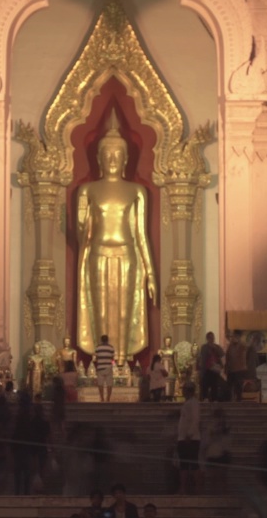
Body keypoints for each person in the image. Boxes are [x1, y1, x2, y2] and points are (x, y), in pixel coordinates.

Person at [75, 112, 157, 364]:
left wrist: (151, 273)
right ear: (99, 158)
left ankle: (122, 361)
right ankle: (103, 362)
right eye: (107, 154)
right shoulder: (87, 190)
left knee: (124, 313)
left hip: (128, 255)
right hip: (98, 254)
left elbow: (141, 234)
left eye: (117, 154)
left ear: (125, 159)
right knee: (99, 311)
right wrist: (83, 219)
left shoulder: (137, 191)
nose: (112, 158)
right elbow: (81, 232)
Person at [176, 383, 202, 495]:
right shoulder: (188, 403)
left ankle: (195, 488)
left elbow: (195, 419)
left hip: (190, 438)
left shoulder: (193, 403)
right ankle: (184, 488)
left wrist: (189, 434)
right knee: (184, 464)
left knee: (193, 463)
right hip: (184, 437)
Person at [203, 407, 232, 492]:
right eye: (217, 417)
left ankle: (223, 497)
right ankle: (215, 497)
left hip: (223, 454)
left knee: (222, 478)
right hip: (212, 454)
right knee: (213, 479)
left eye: (220, 417)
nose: (218, 419)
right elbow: (206, 441)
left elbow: (228, 442)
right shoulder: (210, 427)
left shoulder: (226, 428)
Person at [197, 332, 224, 403]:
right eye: (210, 337)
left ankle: (214, 398)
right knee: (205, 384)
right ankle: (205, 398)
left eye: (212, 337)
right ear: (207, 338)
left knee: (214, 384)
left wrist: (215, 349)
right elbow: (202, 358)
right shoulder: (204, 347)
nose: (211, 339)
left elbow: (222, 354)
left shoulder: (217, 347)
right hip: (207, 368)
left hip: (215, 369)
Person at [225, 331, 247, 401]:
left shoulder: (242, 346)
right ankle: (229, 400)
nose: (233, 338)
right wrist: (227, 367)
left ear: (239, 337)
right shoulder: (230, 346)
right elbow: (227, 357)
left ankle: (238, 401)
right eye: (232, 337)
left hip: (239, 370)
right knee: (229, 387)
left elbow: (243, 356)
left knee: (238, 387)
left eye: (235, 336)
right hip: (231, 370)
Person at [94, 334, 116, 403]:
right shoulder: (111, 348)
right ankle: (108, 398)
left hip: (100, 367)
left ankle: (102, 398)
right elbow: (112, 359)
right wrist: (112, 365)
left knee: (100, 384)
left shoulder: (98, 348)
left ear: (101, 340)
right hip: (108, 367)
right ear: (107, 340)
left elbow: (96, 358)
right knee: (109, 384)